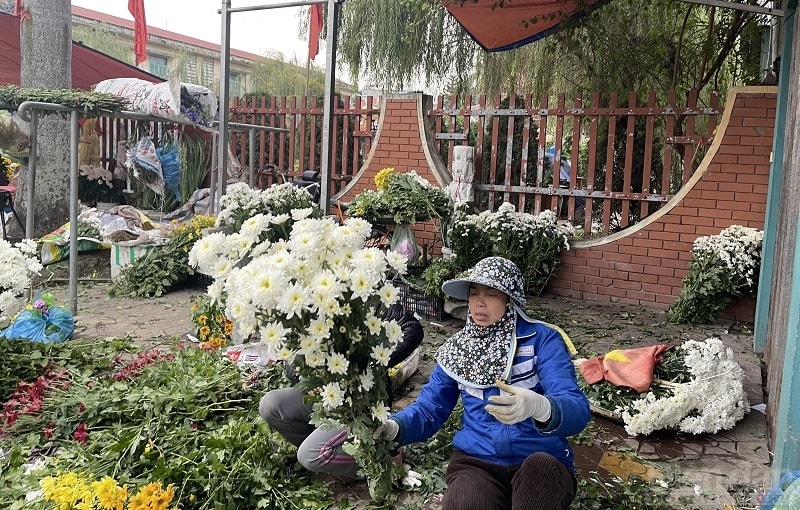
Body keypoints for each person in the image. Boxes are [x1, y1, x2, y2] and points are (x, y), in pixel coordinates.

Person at [374, 256, 591, 510]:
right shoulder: (457, 349)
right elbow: (429, 409)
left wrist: (542, 407)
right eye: (474, 293)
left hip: (539, 457)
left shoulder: (542, 340)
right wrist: (395, 428)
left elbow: (576, 408)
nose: (479, 302)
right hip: (477, 461)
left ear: (510, 300)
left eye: (491, 294)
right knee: (467, 500)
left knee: (540, 476)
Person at [258, 302, 424, 479]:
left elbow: (412, 328)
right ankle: (331, 451)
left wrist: (369, 361)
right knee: (270, 405)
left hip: (361, 402)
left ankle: (381, 464)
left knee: (309, 454)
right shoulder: (302, 308)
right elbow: (289, 360)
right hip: (326, 396)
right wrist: (307, 380)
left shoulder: (360, 297)